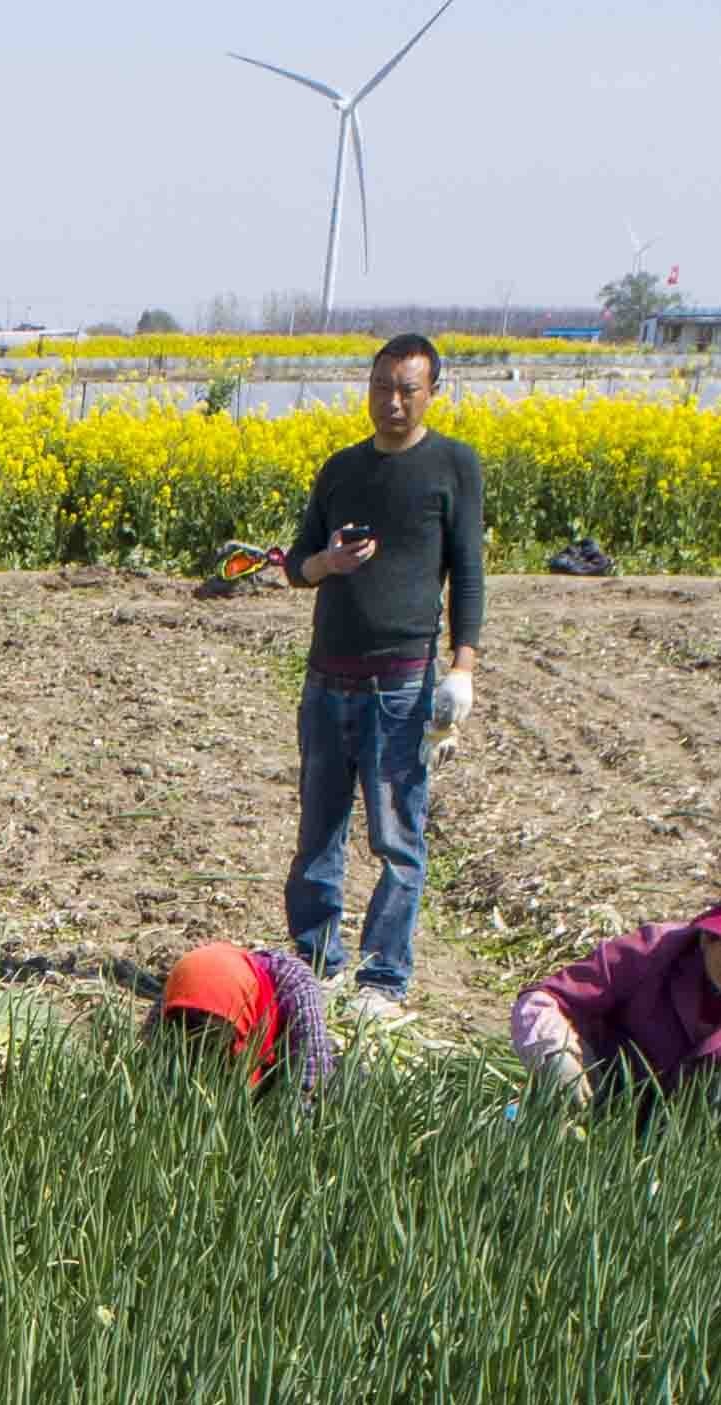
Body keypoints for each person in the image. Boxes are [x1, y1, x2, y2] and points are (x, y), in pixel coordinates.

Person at [281, 332, 490, 1026]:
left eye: (407, 388)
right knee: (319, 830)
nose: (392, 402)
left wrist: (462, 667)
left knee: (398, 836)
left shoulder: (453, 466)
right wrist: (326, 566)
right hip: (327, 677)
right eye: (381, 387)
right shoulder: (341, 468)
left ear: (432, 392)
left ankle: (384, 978)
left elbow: (468, 574)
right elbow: (297, 562)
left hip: (401, 683)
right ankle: (317, 964)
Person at [515, 866, 721, 1126]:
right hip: (606, 1095)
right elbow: (542, 1000)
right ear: (708, 937)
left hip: (687, 1131)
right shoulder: (649, 952)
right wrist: (556, 1056)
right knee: (566, 1064)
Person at [152, 938, 340, 1099]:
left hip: (277, 1064)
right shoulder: (181, 991)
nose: (203, 1023)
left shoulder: (294, 984)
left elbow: (310, 1080)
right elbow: (149, 1063)